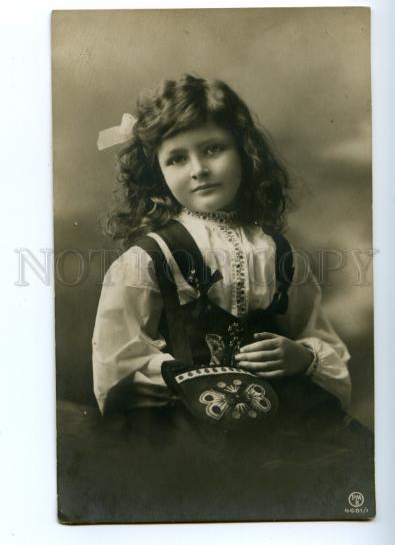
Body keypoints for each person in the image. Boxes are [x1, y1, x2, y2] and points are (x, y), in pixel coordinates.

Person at [89, 75, 372, 521]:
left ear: (245, 152)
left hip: (284, 417)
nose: (198, 169)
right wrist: (186, 377)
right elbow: (116, 362)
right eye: (177, 159)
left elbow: (315, 334)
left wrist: (302, 358)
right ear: (158, 175)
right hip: (184, 421)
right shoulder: (149, 258)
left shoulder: (280, 253)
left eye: (213, 149)